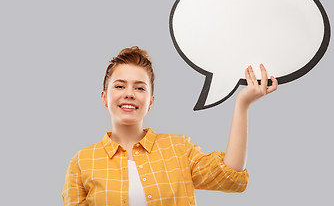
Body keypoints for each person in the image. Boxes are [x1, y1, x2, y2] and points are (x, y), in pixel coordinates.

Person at [62, 46, 278, 206]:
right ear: (104, 97)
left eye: (140, 88)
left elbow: (230, 175)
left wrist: (242, 104)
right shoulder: (82, 161)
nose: (129, 93)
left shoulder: (179, 149)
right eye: (119, 86)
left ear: (151, 101)